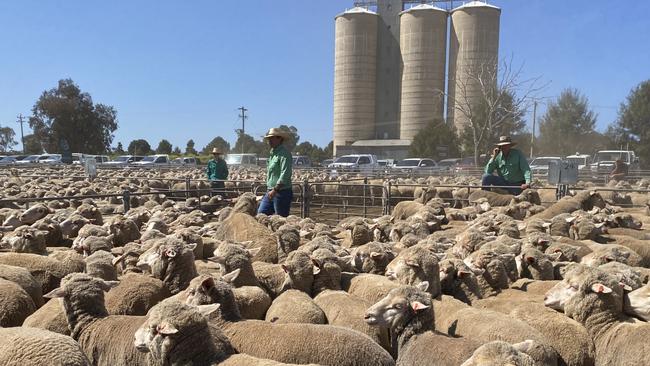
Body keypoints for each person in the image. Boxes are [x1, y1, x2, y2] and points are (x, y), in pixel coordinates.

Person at [258, 128, 293, 217]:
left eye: (272, 138)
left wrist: (275, 190)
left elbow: (285, 173)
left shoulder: (284, 154)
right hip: (270, 191)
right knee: (261, 215)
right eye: (268, 139)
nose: (269, 141)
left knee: (280, 219)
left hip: (281, 192)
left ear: (279, 139)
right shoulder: (272, 154)